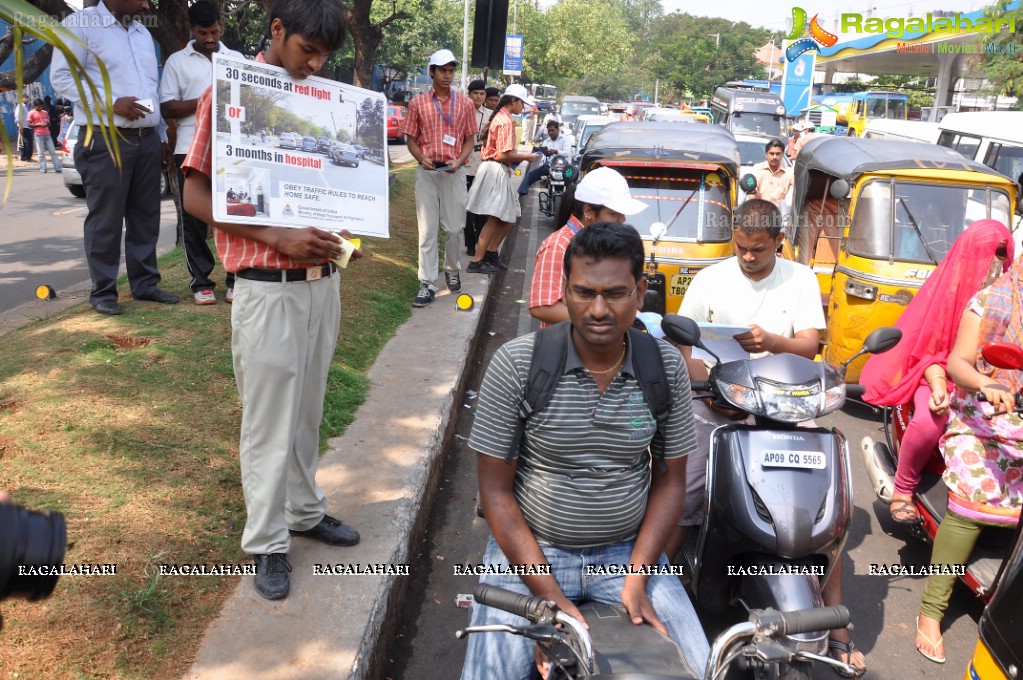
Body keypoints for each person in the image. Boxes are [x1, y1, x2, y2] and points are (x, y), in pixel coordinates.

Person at [460, 221, 710, 680]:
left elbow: (671, 480)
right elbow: (495, 494)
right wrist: (552, 602)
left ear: (641, 292)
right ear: (564, 290)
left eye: (615, 293)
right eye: (583, 292)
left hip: (628, 555)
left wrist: (638, 575)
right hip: (530, 553)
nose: (598, 309)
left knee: (699, 664)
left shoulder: (665, 367)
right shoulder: (517, 364)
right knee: (489, 674)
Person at [182, 0, 359, 601]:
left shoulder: (323, 102)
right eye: (307, 50)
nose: (314, 64)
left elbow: (331, 187)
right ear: (277, 30)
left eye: (325, 56)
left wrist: (343, 239)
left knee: (308, 409)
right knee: (267, 421)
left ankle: (305, 512)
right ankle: (267, 541)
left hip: (320, 286)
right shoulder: (230, 91)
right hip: (264, 286)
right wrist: (275, 236)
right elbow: (194, 192)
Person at [669, 199, 866, 676]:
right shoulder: (710, 279)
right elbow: (684, 345)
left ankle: (836, 625)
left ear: (778, 241)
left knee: (825, 504)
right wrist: (708, 385)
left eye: (758, 250)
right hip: (716, 402)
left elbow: (810, 344)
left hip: (786, 405)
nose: (748, 257)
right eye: (741, 248)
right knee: (685, 485)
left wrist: (772, 343)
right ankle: (656, 583)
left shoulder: (799, 278)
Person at [861, 221, 1013, 524]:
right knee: (931, 419)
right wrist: (939, 384)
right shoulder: (948, 291)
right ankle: (903, 489)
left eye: (1002, 255)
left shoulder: (1011, 299)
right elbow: (927, 352)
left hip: (998, 385)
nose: (995, 265)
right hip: (938, 374)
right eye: (988, 255)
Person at [915, 255, 1023, 664]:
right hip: (980, 418)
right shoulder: (990, 301)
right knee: (975, 499)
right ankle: (930, 611)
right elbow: (958, 364)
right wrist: (987, 382)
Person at [50, 0, 180, 316]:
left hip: (147, 139)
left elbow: (150, 88)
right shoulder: (81, 25)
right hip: (104, 137)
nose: (146, 4)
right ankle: (104, 292)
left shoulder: (141, 34)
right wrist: (110, 103)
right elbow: (61, 77)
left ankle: (145, 284)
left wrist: (161, 134)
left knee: (145, 215)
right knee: (106, 218)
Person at [160, 0, 243, 306]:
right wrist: (208, 101)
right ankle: (202, 282)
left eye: (214, 31)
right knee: (195, 217)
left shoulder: (236, 58)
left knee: (235, 212)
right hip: (189, 147)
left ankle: (236, 278)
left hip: (231, 148)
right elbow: (167, 106)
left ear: (221, 27)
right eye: (203, 32)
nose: (209, 38)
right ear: (191, 29)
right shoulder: (176, 63)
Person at [401, 49, 477, 308]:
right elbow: (410, 139)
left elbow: (470, 138)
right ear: (431, 71)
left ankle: (452, 269)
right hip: (427, 173)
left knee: (455, 228)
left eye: (451, 70)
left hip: (454, 172)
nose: (448, 75)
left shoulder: (465, 103)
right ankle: (428, 282)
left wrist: (459, 160)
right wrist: (421, 158)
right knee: (427, 231)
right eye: (443, 70)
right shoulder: (418, 103)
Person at [528, 167, 646, 327]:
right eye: (614, 213)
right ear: (589, 212)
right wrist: (606, 321)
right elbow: (542, 307)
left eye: (622, 213)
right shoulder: (558, 245)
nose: (622, 219)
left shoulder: (603, 244)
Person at [464, 84, 542, 276]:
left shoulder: (501, 117)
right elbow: (502, 154)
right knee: (496, 218)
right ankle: (477, 260)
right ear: (513, 101)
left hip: (493, 169)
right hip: (494, 169)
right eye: (522, 103)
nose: (523, 108)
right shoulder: (505, 121)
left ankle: (489, 254)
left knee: (508, 216)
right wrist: (526, 157)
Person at [463, 79, 492, 257]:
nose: (479, 97)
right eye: (476, 93)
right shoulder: (462, 113)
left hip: (483, 164)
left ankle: (481, 243)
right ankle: (470, 244)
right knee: (467, 209)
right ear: (469, 94)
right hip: (465, 164)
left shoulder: (489, 115)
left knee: (482, 208)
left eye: (482, 94)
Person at [516, 119, 570, 198]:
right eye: (549, 131)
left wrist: (556, 152)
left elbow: (567, 152)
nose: (551, 132)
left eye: (553, 130)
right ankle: (521, 192)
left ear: (558, 129)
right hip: (550, 166)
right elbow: (543, 157)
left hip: (564, 167)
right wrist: (541, 153)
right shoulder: (546, 141)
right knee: (532, 173)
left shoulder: (565, 139)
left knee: (573, 181)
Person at [749, 138, 793, 209]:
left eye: (778, 154)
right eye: (772, 154)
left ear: (782, 155)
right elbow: (751, 193)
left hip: (780, 215)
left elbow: (791, 198)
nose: (775, 157)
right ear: (766, 154)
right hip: (759, 211)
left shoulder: (790, 173)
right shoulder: (757, 169)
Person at [27, 99, 62, 174]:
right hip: (38, 135)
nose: (41, 108)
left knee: (53, 152)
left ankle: (58, 168)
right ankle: (43, 168)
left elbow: (48, 122)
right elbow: (29, 124)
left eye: (42, 106)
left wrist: (47, 124)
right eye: (39, 106)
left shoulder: (45, 112)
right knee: (41, 153)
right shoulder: (31, 113)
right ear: (35, 106)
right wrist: (39, 125)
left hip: (47, 134)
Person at [15, 95, 34, 162]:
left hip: (26, 126)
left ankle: (24, 156)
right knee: (29, 142)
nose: (27, 100)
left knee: (24, 142)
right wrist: (20, 127)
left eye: (27, 98)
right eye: (25, 98)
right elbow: (17, 117)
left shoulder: (24, 107)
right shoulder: (20, 106)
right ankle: (27, 157)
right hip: (23, 126)